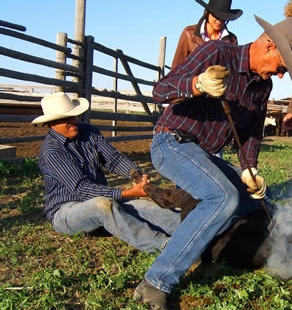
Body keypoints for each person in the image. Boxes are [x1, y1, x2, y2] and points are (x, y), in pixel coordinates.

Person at [133, 15, 292, 310]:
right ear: (269, 46)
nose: (280, 75)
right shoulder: (217, 53)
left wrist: (249, 169)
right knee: (223, 198)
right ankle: (155, 282)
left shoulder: (262, 87)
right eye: (282, 67)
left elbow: (252, 134)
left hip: (207, 157)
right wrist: (197, 84)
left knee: (257, 202)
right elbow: (161, 90)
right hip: (171, 143)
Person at [33, 92, 181, 253]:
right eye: (65, 119)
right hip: (66, 212)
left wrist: (135, 175)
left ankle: (192, 229)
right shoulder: (52, 151)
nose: (72, 121)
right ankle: (165, 246)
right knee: (101, 206)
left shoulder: (88, 132)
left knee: (143, 207)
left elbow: (113, 159)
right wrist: (128, 192)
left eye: (73, 116)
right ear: (51, 124)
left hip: (103, 200)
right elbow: (82, 189)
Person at [171, 0, 242, 69]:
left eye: (223, 18)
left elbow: (233, 71)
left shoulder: (232, 40)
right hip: (192, 81)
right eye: (216, 16)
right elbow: (176, 68)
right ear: (208, 13)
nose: (219, 21)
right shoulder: (189, 34)